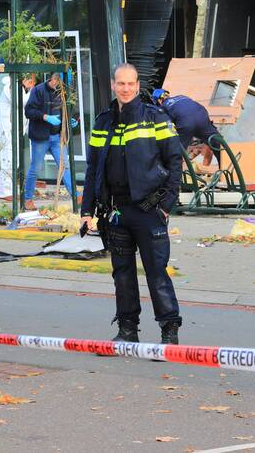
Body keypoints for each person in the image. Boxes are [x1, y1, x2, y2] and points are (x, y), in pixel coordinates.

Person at [80, 63, 183, 345]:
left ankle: (169, 331)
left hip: (150, 210)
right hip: (116, 211)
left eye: (130, 84)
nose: (125, 89)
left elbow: (175, 162)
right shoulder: (103, 121)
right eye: (120, 84)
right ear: (113, 85)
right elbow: (92, 169)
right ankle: (127, 330)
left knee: (156, 273)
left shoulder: (156, 118)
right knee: (122, 275)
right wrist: (87, 210)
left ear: (138, 86)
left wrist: (166, 205)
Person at [24, 72, 77, 209]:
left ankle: (76, 195)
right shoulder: (39, 90)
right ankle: (28, 199)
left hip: (57, 137)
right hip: (40, 137)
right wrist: (46, 117)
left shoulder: (62, 93)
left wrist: (67, 121)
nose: (61, 87)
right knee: (36, 168)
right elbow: (29, 111)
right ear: (54, 79)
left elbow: (65, 110)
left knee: (64, 167)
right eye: (60, 84)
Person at [0, 74, 36, 202]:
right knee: (8, 159)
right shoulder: (10, 87)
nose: (32, 84)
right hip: (7, 131)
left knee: (14, 160)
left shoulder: (19, 88)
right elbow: (21, 101)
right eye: (31, 81)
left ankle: (9, 190)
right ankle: (5, 192)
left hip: (13, 130)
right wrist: (32, 92)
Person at [151, 89, 220, 165]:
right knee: (217, 143)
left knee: (177, 152)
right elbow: (191, 108)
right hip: (202, 117)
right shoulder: (182, 96)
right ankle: (228, 169)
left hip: (186, 124)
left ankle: (173, 173)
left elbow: (168, 126)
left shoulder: (163, 107)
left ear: (159, 101)